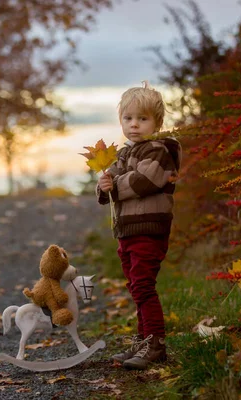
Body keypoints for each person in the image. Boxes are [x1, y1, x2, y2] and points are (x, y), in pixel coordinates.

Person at [96, 81, 181, 370]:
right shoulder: (124, 153)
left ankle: (155, 343)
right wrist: (104, 184)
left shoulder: (158, 150)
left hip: (149, 230)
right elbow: (114, 185)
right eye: (128, 118)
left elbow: (144, 182)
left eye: (142, 119)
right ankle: (144, 339)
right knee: (136, 286)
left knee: (144, 284)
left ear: (157, 122)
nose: (134, 125)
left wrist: (116, 185)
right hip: (128, 231)